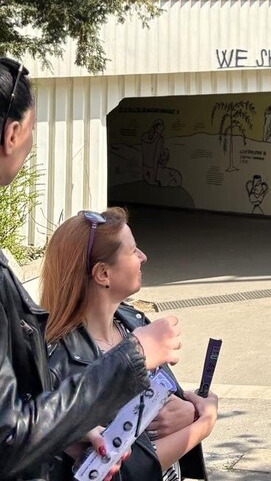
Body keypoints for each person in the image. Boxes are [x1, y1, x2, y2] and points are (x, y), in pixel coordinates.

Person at [0, 57, 183, 481]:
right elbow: (10, 436)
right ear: (12, 134)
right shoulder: (64, 349)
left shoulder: (131, 319)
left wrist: (66, 430)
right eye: (32, 129)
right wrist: (133, 359)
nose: (142, 259)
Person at [41, 207, 218, 481]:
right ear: (103, 274)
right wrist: (203, 425)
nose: (143, 257)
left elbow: (160, 404)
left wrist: (188, 409)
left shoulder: (133, 323)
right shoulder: (62, 361)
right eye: (133, 251)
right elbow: (119, 470)